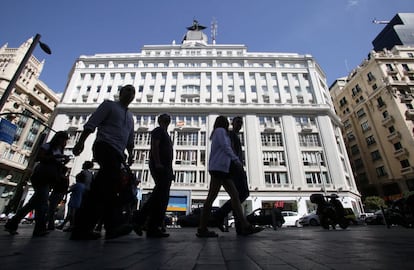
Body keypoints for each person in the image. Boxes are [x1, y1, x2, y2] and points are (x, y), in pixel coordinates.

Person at [70, 84, 136, 240]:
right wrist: (81, 142)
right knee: (107, 185)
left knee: (106, 188)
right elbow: (92, 123)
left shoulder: (131, 117)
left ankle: (94, 227)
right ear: (120, 93)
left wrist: (131, 154)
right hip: (104, 146)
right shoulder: (109, 105)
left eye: (133, 92)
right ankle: (106, 226)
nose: (130, 93)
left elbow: (130, 139)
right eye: (127, 89)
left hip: (118, 154)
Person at [196, 116, 262, 237]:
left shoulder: (219, 132)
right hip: (219, 169)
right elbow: (226, 147)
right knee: (212, 198)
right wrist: (236, 160)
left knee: (234, 196)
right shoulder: (220, 131)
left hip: (221, 169)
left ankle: (244, 225)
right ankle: (203, 228)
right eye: (227, 121)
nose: (228, 123)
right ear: (224, 123)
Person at [4, 131, 70, 237]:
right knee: (43, 204)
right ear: (58, 138)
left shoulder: (59, 150)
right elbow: (39, 157)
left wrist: (63, 160)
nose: (64, 141)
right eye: (63, 139)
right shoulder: (48, 146)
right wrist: (54, 158)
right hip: (41, 176)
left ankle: (12, 224)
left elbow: (58, 165)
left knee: (32, 204)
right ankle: (39, 228)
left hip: (50, 178)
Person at [132, 113, 174, 238]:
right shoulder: (158, 130)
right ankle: (140, 220)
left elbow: (169, 155)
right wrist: (157, 163)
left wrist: (170, 171)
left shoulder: (166, 134)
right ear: (159, 120)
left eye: (168, 117)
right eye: (164, 117)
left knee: (162, 197)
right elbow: (154, 146)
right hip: (159, 166)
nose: (167, 118)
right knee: (159, 195)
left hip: (166, 168)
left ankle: (152, 227)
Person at [213, 116, 250, 233]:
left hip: (235, 168)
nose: (239, 124)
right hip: (234, 169)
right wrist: (236, 165)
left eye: (241, 122)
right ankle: (220, 214)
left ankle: (239, 226)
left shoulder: (234, 136)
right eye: (237, 122)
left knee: (238, 196)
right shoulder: (230, 135)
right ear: (232, 123)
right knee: (241, 194)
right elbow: (229, 150)